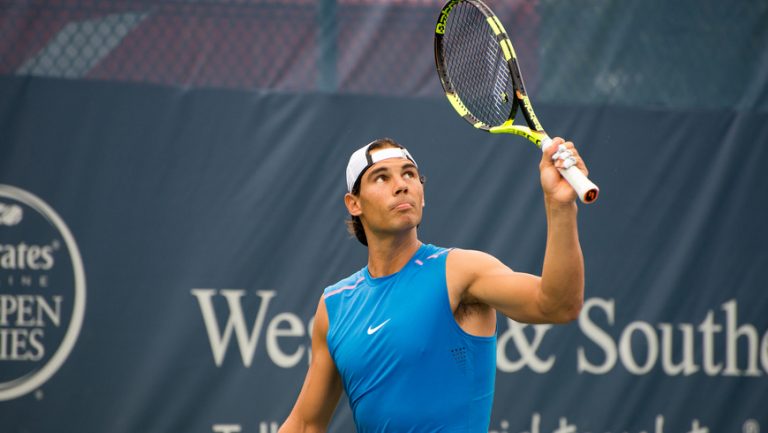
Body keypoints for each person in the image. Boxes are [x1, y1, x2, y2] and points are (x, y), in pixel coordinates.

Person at [278, 137, 587, 432]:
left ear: (422, 195)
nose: (401, 185)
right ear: (353, 203)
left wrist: (559, 205)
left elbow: (558, 305)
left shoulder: (460, 271)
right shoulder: (335, 305)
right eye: (381, 178)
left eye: (409, 174)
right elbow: (305, 424)